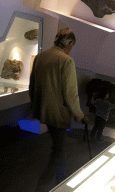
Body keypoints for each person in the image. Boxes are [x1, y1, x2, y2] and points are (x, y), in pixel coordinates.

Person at [29, 28, 88, 190]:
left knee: (58, 147)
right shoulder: (66, 61)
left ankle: (61, 179)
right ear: (68, 43)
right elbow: (70, 94)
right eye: (71, 46)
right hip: (58, 114)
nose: (70, 50)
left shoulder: (41, 57)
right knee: (58, 149)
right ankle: (46, 183)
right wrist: (80, 115)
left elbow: (32, 86)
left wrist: (36, 105)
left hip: (44, 111)